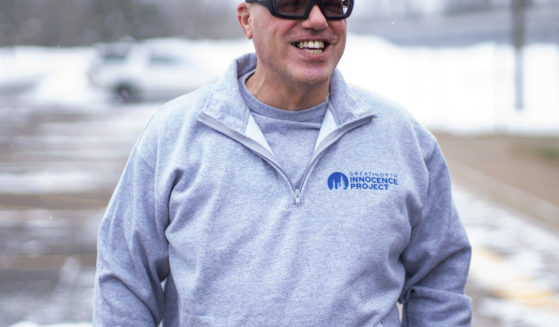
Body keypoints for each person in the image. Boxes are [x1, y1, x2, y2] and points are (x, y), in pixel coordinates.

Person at [93, 0, 472, 326]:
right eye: (291, 2)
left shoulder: (402, 139)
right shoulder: (174, 135)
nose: (318, 20)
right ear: (246, 19)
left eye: (334, 4)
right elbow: (125, 278)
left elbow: (440, 283)